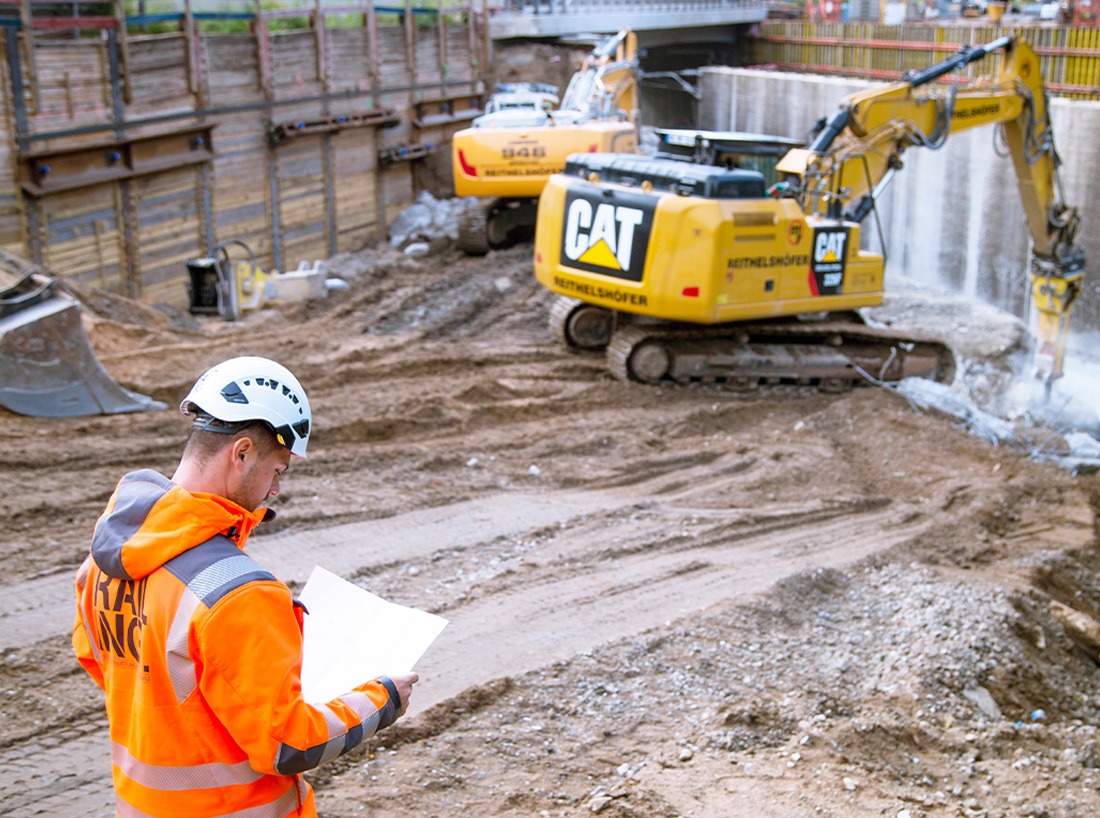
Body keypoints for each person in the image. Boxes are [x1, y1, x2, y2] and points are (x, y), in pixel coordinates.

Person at [72, 355, 418, 817]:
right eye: (277, 469)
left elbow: (102, 662)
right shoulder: (238, 593)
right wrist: (384, 697)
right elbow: (288, 743)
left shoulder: (101, 563)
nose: (274, 490)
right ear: (241, 453)